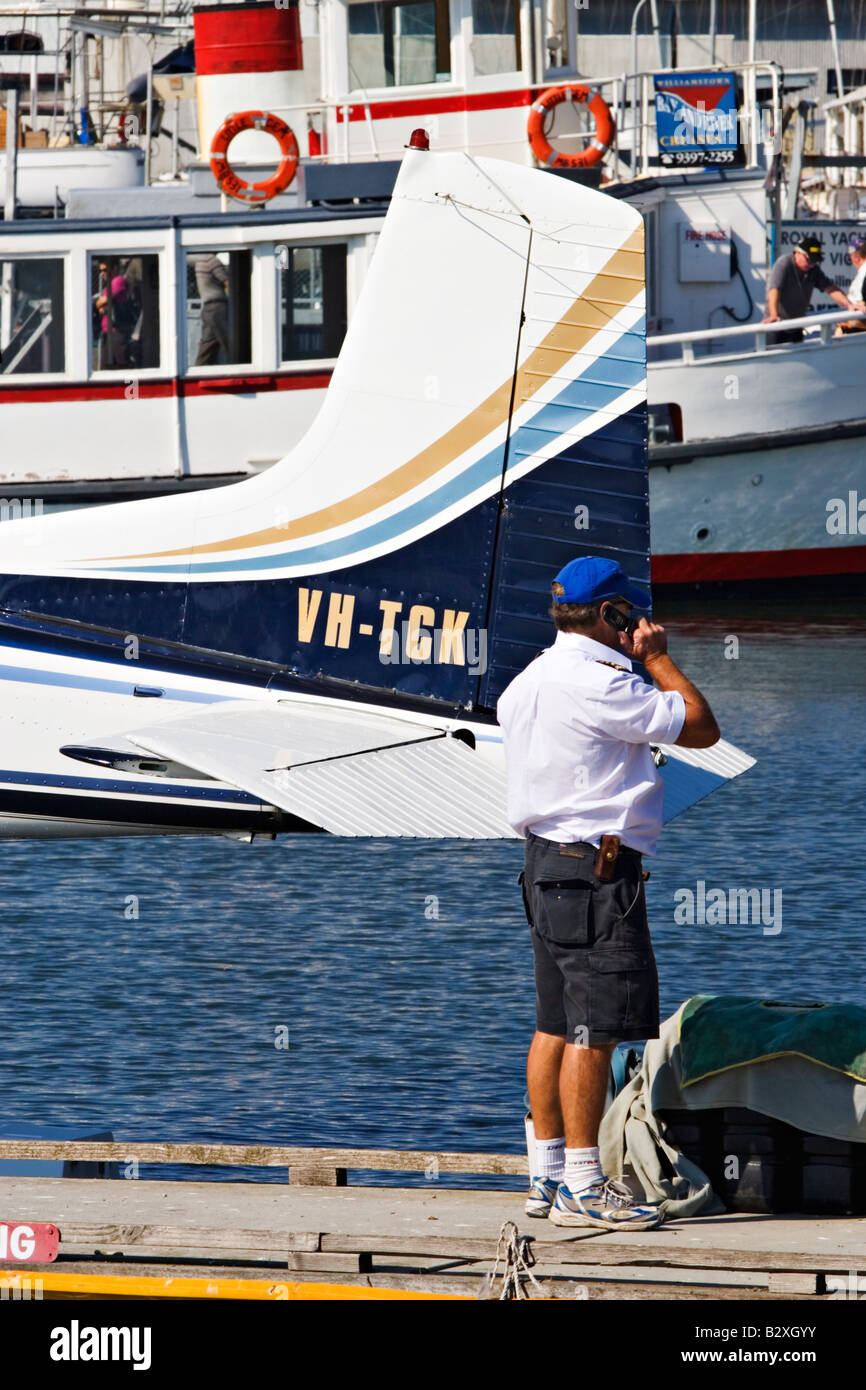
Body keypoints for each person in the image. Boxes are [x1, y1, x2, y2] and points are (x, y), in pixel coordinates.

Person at [496, 556, 720, 1230]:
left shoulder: (526, 683)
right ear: (612, 615)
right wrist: (658, 659)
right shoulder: (605, 686)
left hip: (543, 868)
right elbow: (703, 725)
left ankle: (547, 1177)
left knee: (554, 1026)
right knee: (594, 1035)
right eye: (630, 613)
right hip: (596, 874)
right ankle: (585, 1189)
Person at [763, 235, 853, 344]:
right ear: (797, 252)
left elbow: (830, 288)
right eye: (809, 259)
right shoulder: (784, 263)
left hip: (796, 326)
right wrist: (773, 315)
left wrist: (849, 305)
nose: (811, 264)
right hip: (777, 327)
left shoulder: (813, 270)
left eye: (815, 261)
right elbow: (774, 290)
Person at [193, 253, 230, 366]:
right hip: (217, 307)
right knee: (229, 342)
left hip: (208, 309)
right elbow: (227, 282)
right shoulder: (211, 260)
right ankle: (240, 367)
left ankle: (199, 370)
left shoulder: (199, 261)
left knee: (208, 345)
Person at [834, 237, 866, 336]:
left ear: (856, 257)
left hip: (857, 333)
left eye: (850, 257)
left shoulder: (863, 275)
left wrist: (848, 323)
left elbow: (861, 305)